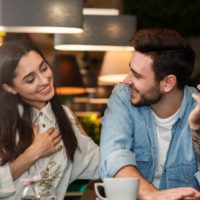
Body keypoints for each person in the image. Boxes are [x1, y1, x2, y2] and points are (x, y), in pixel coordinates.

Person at [99, 28, 200, 200]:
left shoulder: (197, 108)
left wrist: (197, 131)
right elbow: (113, 156)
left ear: (168, 83)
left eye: (137, 76)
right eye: (130, 70)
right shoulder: (123, 96)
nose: (126, 80)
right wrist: (153, 195)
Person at [0, 40, 99, 200]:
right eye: (30, 79)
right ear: (10, 88)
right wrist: (33, 153)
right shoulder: (3, 122)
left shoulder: (66, 117)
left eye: (43, 68)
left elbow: (98, 164)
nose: (44, 81)